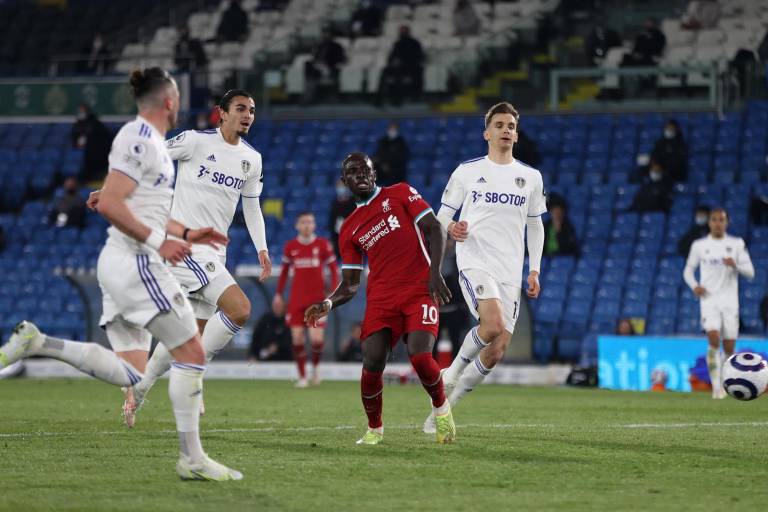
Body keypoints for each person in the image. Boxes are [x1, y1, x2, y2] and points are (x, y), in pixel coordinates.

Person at [0, 68, 241, 480]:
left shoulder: (150, 144)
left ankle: (38, 342)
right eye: (178, 98)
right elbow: (113, 205)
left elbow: (142, 207)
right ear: (169, 102)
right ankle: (192, 459)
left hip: (123, 263)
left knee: (130, 371)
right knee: (192, 352)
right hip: (137, 262)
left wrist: (186, 233)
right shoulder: (139, 139)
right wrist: (160, 242)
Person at [90, 89, 272, 423]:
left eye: (252, 110)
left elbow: (252, 207)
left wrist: (262, 248)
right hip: (184, 247)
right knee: (240, 308)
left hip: (215, 253)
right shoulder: (195, 141)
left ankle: (139, 388)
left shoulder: (252, 159)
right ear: (222, 112)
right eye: (241, 108)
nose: (248, 115)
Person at [304, 152, 455, 445]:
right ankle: (375, 429)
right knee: (372, 362)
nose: (360, 174)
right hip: (382, 299)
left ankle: (441, 409)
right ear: (343, 181)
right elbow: (350, 284)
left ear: (374, 174)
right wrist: (328, 303)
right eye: (353, 171)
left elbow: (435, 227)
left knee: (420, 356)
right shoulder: (349, 228)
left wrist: (435, 272)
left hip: (418, 289)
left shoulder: (400, 193)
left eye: (366, 169)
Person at [423, 101, 545, 434]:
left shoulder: (530, 177)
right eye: (500, 125)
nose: (506, 130)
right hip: (475, 260)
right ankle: (449, 374)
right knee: (491, 325)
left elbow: (535, 225)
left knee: (497, 350)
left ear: (516, 135)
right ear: (487, 133)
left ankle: (444, 409)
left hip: (510, 269)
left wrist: (534, 269)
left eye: (511, 126)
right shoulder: (467, 171)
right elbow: (441, 215)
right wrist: (452, 227)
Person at [683, 208, 755, 399]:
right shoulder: (700, 245)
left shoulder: (736, 243)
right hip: (709, 300)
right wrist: (695, 286)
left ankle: (725, 380)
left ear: (726, 223)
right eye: (714, 219)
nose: (717, 223)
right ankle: (716, 388)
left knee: (729, 346)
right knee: (714, 339)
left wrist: (735, 265)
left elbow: (751, 272)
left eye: (721, 220)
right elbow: (688, 270)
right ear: (709, 223)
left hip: (730, 301)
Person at [274, 212, 338, 387]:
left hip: (317, 300)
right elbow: (284, 272)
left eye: (310, 222)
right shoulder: (291, 246)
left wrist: (333, 292)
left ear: (314, 225)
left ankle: (315, 369)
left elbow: (333, 269)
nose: (307, 225)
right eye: (303, 222)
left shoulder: (323, 245)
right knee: (297, 338)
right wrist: (278, 294)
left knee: (316, 339)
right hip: (296, 300)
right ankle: (302, 377)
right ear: (297, 225)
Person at [378, 26, 424, 106]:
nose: (402, 33)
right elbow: (391, 56)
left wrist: (402, 62)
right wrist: (393, 62)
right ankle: (379, 99)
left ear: (408, 32)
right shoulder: (397, 43)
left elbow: (417, 57)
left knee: (398, 75)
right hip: (397, 66)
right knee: (384, 71)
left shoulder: (415, 43)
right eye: (401, 31)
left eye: (404, 31)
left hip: (410, 67)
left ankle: (397, 99)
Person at [71, 103, 113, 182]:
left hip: (97, 152)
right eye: (79, 111)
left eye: (82, 111)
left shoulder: (95, 123)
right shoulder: (77, 124)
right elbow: (74, 137)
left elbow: (103, 137)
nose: (81, 113)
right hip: (86, 153)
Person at [304, 28, 347, 103]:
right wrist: (318, 64)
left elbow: (340, 59)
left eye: (327, 34)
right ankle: (309, 93)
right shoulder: (319, 45)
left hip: (331, 66)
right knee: (307, 64)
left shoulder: (337, 46)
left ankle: (310, 95)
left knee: (314, 71)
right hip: (318, 67)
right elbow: (315, 58)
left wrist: (327, 65)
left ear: (331, 35)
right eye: (324, 34)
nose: (325, 36)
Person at [328, 178, 357, 256]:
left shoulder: (353, 201)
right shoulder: (334, 203)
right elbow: (331, 221)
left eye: (342, 186)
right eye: (339, 186)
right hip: (338, 235)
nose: (340, 188)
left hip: (351, 235)